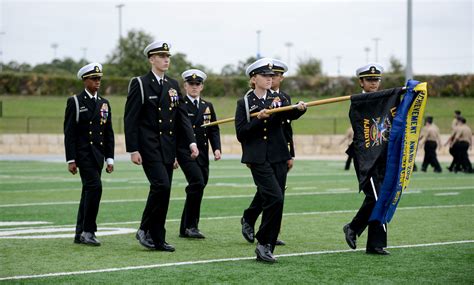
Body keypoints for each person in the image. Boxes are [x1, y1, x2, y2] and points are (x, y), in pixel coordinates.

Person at [124, 40, 199, 252]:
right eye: (161, 56)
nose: (166, 60)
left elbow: (181, 117)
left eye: (168, 56)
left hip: (168, 146)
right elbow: (131, 119)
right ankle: (144, 228)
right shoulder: (139, 83)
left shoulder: (173, 85)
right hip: (148, 146)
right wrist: (133, 149)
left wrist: (191, 142)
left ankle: (158, 238)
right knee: (161, 186)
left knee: (164, 193)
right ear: (151, 59)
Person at [235, 58, 306, 263]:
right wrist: (259, 119)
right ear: (254, 78)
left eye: (271, 75)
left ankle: (267, 245)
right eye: (265, 75)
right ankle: (263, 242)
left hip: (279, 155)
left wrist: (300, 109)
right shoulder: (245, 103)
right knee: (274, 198)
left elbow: (289, 118)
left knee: (277, 200)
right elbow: (241, 133)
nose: (270, 78)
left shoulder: (279, 99)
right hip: (258, 158)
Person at [64, 62, 115, 246]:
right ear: (85, 80)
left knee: (87, 192)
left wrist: (110, 158)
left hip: (98, 156)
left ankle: (80, 233)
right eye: (94, 78)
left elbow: (108, 133)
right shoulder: (75, 102)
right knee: (95, 188)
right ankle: (89, 231)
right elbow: (69, 133)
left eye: (99, 78)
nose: (97, 81)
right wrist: (71, 159)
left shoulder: (104, 103)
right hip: (83, 155)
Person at [343, 63, 390, 255]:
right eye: (369, 80)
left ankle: (375, 244)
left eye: (376, 80)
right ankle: (353, 227)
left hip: (382, 156)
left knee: (383, 197)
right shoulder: (358, 104)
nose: (374, 83)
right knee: (375, 196)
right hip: (365, 158)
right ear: (361, 82)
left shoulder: (386, 102)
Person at [177, 69, 221, 239]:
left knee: (199, 187)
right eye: (191, 84)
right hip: (184, 152)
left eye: (197, 84)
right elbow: (174, 132)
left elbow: (213, 129)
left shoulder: (207, 106)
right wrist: (173, 155)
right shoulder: (180, 105)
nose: (194, 87)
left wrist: (216, 147)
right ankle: (191, 226)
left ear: (202, 86)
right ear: (185, 86)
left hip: (203, 154)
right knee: (197, 182)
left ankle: (185, 227)